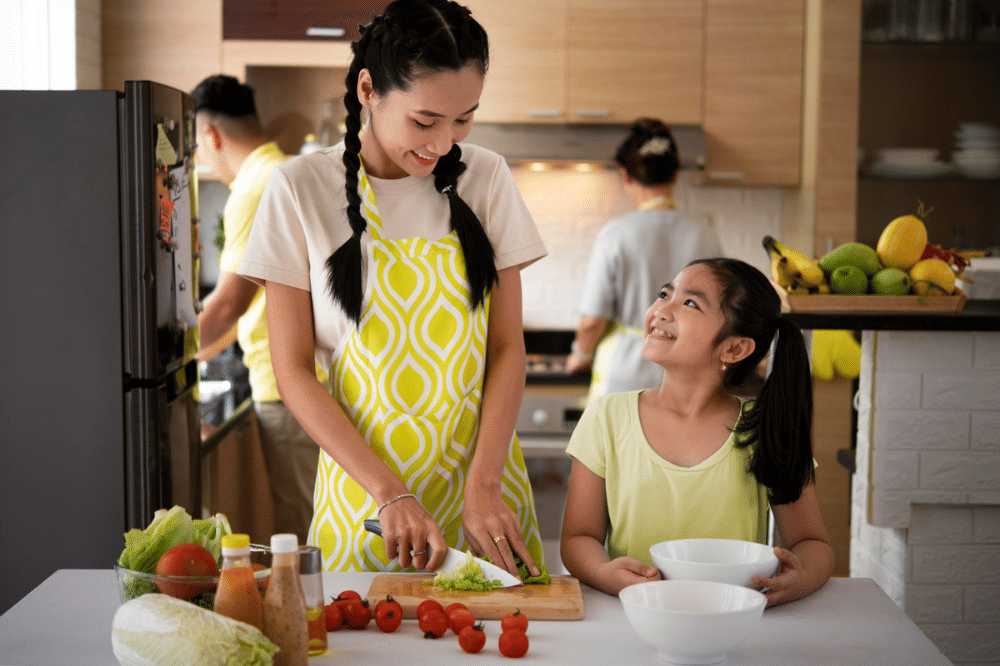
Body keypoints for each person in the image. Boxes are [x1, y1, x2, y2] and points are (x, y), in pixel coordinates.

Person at [237, 0, 546, 577]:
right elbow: (294, 369)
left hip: (485, 497)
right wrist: (390, 493)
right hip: (368, 504)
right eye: (425, 121)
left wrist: (484, 484)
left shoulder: (487, 178)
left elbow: (506, 347)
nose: (443, 143)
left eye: (463, 120)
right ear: (368, 90)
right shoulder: (298, 188)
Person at [560, 258, 834, 606]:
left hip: (734, 621)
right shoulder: (606, 417)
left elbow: (813, 543)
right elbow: (578, 537)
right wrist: (603, 573)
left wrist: (802, 577)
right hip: (633, 617)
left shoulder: (763, 430)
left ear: (734, 348)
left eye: (690, 303)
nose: (661, 308)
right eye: (664, 293)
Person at [192, 75, 320, 544]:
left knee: (303, 526)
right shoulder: (282, 171)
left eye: (199, 146)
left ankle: (319, 615)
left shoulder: (254, 187)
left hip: (286, 384)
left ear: (212, 135)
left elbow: (228, 305)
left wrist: (165, 366)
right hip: (302, 378)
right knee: (308, 515)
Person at [567, 119, 722, 406]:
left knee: (613, 451)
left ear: (625, 176)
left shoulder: (615, 235)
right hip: (688, 374)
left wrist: (581, 355)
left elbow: (592, 321)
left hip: (627, 374)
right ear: (676, 175)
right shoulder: (706, 234)